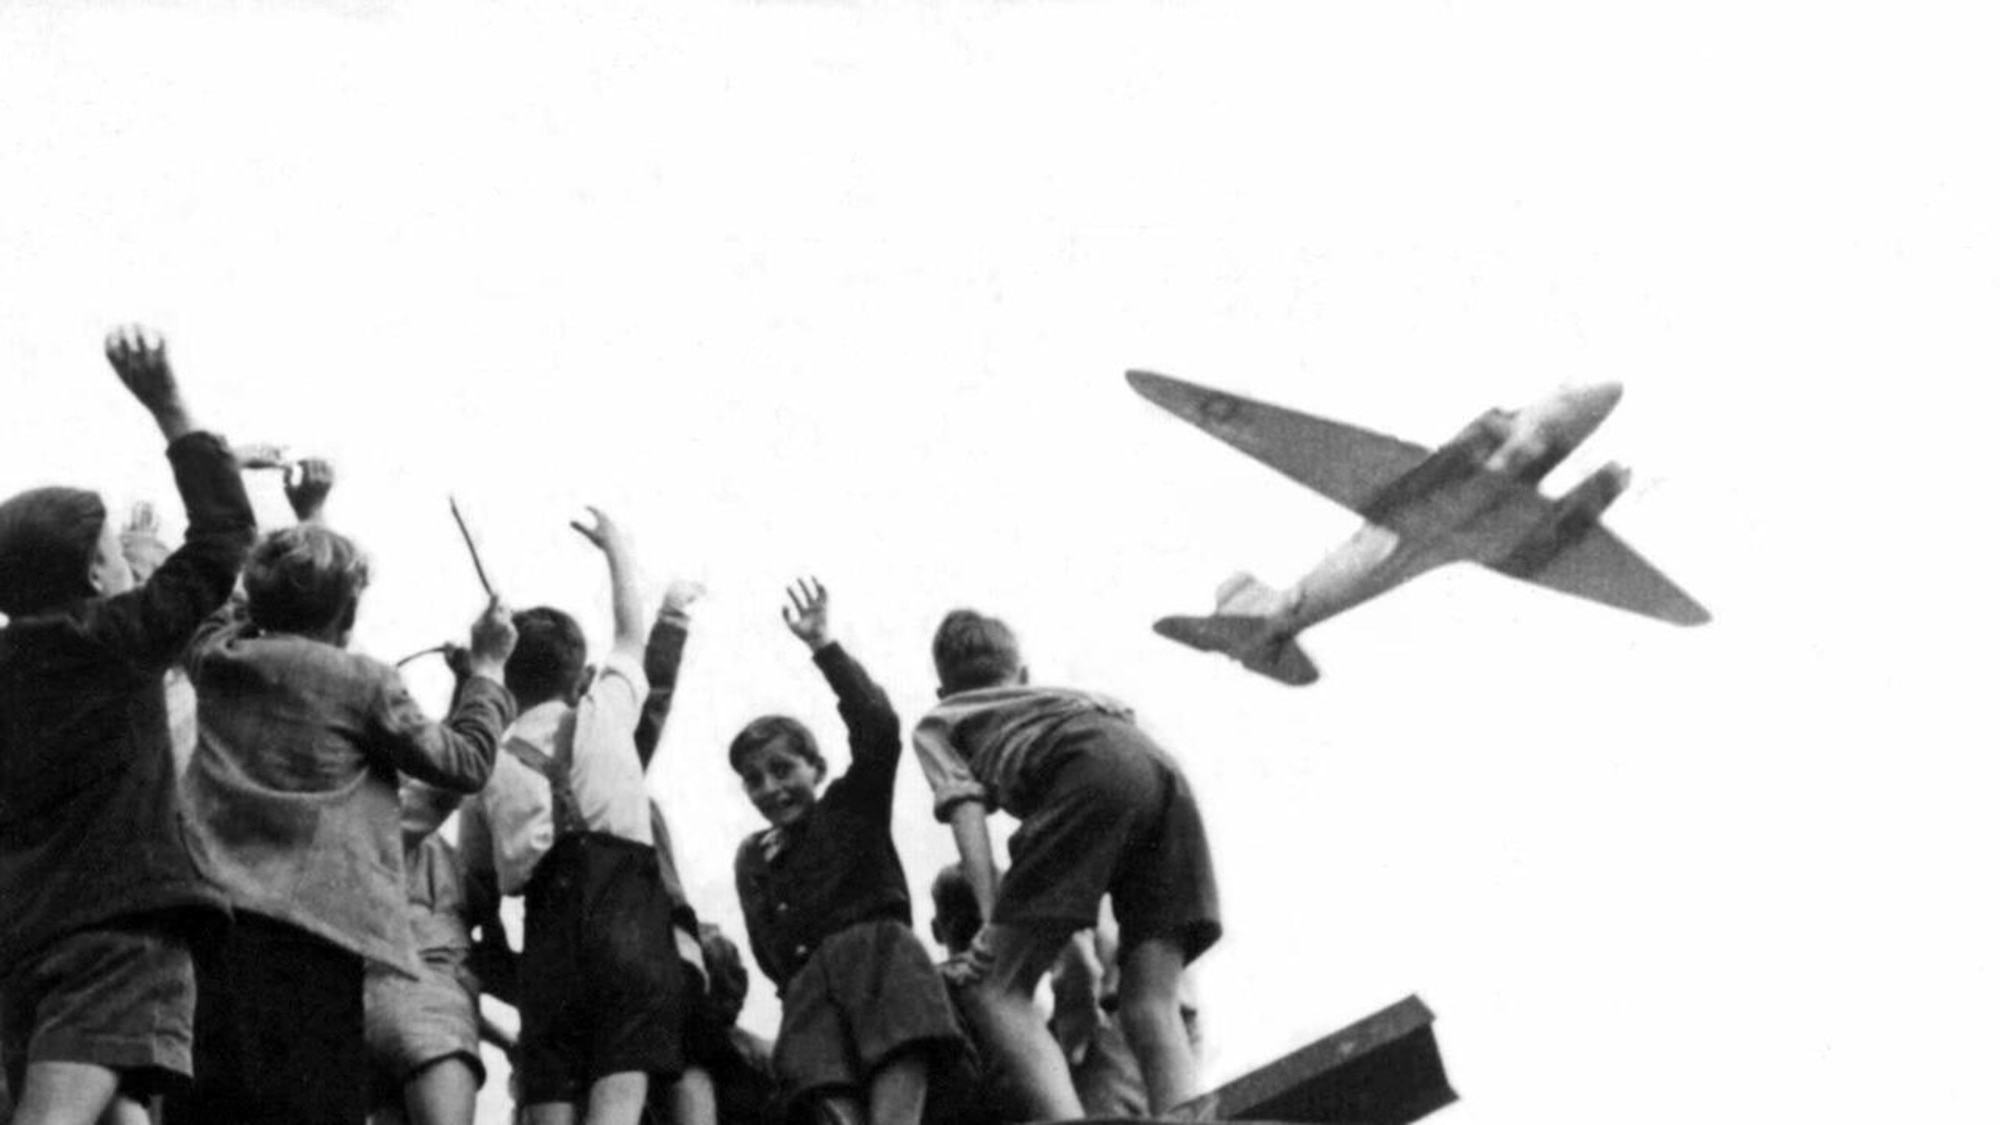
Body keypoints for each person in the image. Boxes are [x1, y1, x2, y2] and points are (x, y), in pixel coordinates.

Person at [172, 459, 519, 1125]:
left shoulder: (217, 656)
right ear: (351, 612)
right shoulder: (365, 684)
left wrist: (302, 526)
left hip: (213, 927)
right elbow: (467, 759)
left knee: (212, 1103)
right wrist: (488, 669)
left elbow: (250, 598)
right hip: (317, 936)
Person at [0, 326, 256, 1125]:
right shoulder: (116, 640)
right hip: (122, 936)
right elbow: (221, 541)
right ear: (91, 574)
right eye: (118, 553)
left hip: (25, 940)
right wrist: (170, 405)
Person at [913, 609, 1221, 1118]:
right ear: (1023, 673)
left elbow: (964, 808)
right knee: (1149, 999)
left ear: (943, 690)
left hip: (1086, 770)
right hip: (1161, 773)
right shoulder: (1064, 697)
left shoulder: (942, 721)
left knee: (995, 989)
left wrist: (993, 921)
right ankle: (1191, 1117)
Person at [458, 509, 687, 1125]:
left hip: (548, 935)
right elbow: (632, 637)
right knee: (618, 1098)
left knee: (549, 1103)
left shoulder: (484, 766)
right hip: (629, 920)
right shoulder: (606, 710)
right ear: (576, 670)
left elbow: (474, 881)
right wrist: (615, 547)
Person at [730, 580, 963, 1125]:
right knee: (817, 1087)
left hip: (877, 960)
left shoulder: (851, 804)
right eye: (754, 779)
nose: (770, 788)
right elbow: (767, 944)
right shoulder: (754, 857)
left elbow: (878, 727)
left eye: (783, 769)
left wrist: (823, 647)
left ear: (816, 767)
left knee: (897, 1061)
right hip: (809, 990)